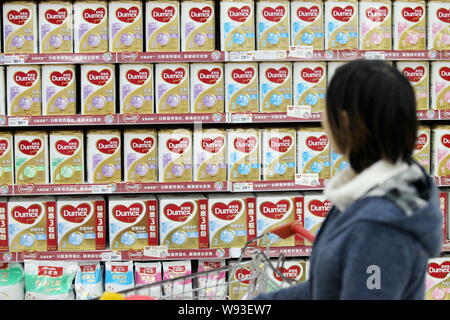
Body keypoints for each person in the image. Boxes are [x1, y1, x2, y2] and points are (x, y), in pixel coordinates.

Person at [255, 59, 442, 300]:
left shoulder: (379, 227)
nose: (322, 119)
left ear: (344, 121)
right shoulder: (381, 190)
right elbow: (326, 287)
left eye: (326, 109)